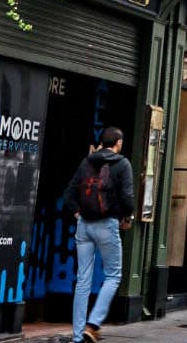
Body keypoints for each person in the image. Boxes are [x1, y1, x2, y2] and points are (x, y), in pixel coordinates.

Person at [63, 126, 135, 343]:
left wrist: (78, 214)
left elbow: (69, 192)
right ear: (118, 143)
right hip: (106, 225)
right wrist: (127, 218)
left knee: (83, 280)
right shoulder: (122, 164)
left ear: (101, 142)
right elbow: (128, 199)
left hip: (84, 226)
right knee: (113, 275)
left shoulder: (87, 162)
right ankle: (93, 324)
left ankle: (77, 336)